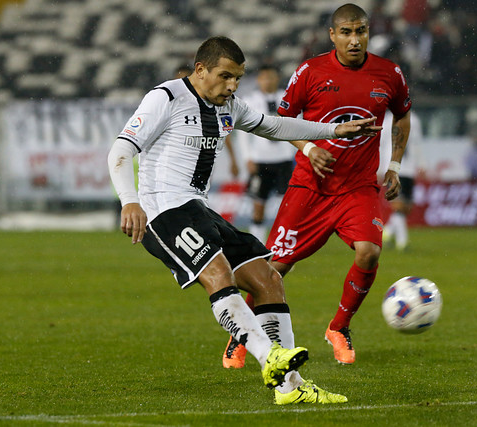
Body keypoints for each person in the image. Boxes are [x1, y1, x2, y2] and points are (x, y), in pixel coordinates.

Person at [108, 36, 380, 404]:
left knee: (268, 279)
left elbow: (275, 126)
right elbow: (122, 148)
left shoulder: (229, 106)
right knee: (218, 274)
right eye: (225, 76)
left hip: (197, 209)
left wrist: (332, 131)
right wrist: (130, 201)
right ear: (200, 70)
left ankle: (292, 389)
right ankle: (270, 357)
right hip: (163, 212)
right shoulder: (167, 97)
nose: (233, 85)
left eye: (238, 77)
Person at [222, 4, 411, 366]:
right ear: (332, 35)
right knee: (274, 268)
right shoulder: (310, 72)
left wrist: (395, 165)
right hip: (310, 186)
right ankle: (241, 333)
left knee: (370, 251)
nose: (355, 40)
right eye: (346, 32)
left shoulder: (389, 73)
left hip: (357, 188)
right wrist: (308, 148)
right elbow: (283, 121)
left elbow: (402, 114)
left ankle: (339, 327)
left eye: (361, 31)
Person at [236, 64, 296, 242]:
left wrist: (294, 153)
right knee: (258, 203)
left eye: (271, 77)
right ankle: (258, 247)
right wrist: (247, 157)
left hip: (284, 159)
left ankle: (282, 246)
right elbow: (242, 133)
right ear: (258, 80)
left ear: (277, 78)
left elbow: (296, 126)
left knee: (285, 206)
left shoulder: (286, 98)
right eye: (264, 77)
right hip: (260, 160)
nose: (268, 81)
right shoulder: (250, 101)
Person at [379, 111, 424, 251]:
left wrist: (421, 164)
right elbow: (383, 144)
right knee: (398, 206)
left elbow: (416, 143)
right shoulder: (387, 120)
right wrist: (381, 168)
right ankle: (402, 242)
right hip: (393, 168)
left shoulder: (413, 119)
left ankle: (388, 231)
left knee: (406, 208)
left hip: (408, 168)